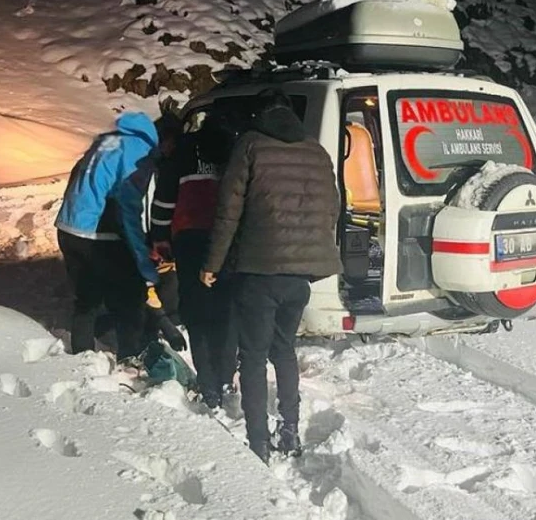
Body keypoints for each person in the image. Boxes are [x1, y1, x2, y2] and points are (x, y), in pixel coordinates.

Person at [201, 89, 342, 463]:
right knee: (284, 349)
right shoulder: (316, 151)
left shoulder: (251, 145)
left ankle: (258, 441)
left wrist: (212, 264)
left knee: (252, 355)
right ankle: (290, 428)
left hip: (259, 271)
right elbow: (332, 207)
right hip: (300, 276)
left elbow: (228, 210)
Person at [55, 111, 184, 360]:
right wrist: (143, 262)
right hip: (98, 231)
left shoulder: (108, 140)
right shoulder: (139, 152)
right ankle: (131, 356)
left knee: (87, 297)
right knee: (130, 297)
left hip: (69, 226)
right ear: (166, 140)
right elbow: (128, 208)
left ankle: (83, 359)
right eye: (173, 147)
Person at [152, 110, 242, 409]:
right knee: (225, 309)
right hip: (226, 239)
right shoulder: (235, 149)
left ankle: (208, 383)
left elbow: (164, 199)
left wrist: (160, 236)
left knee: (196, 309)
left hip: (189, 237)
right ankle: (227, 377)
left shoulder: (184, 150)